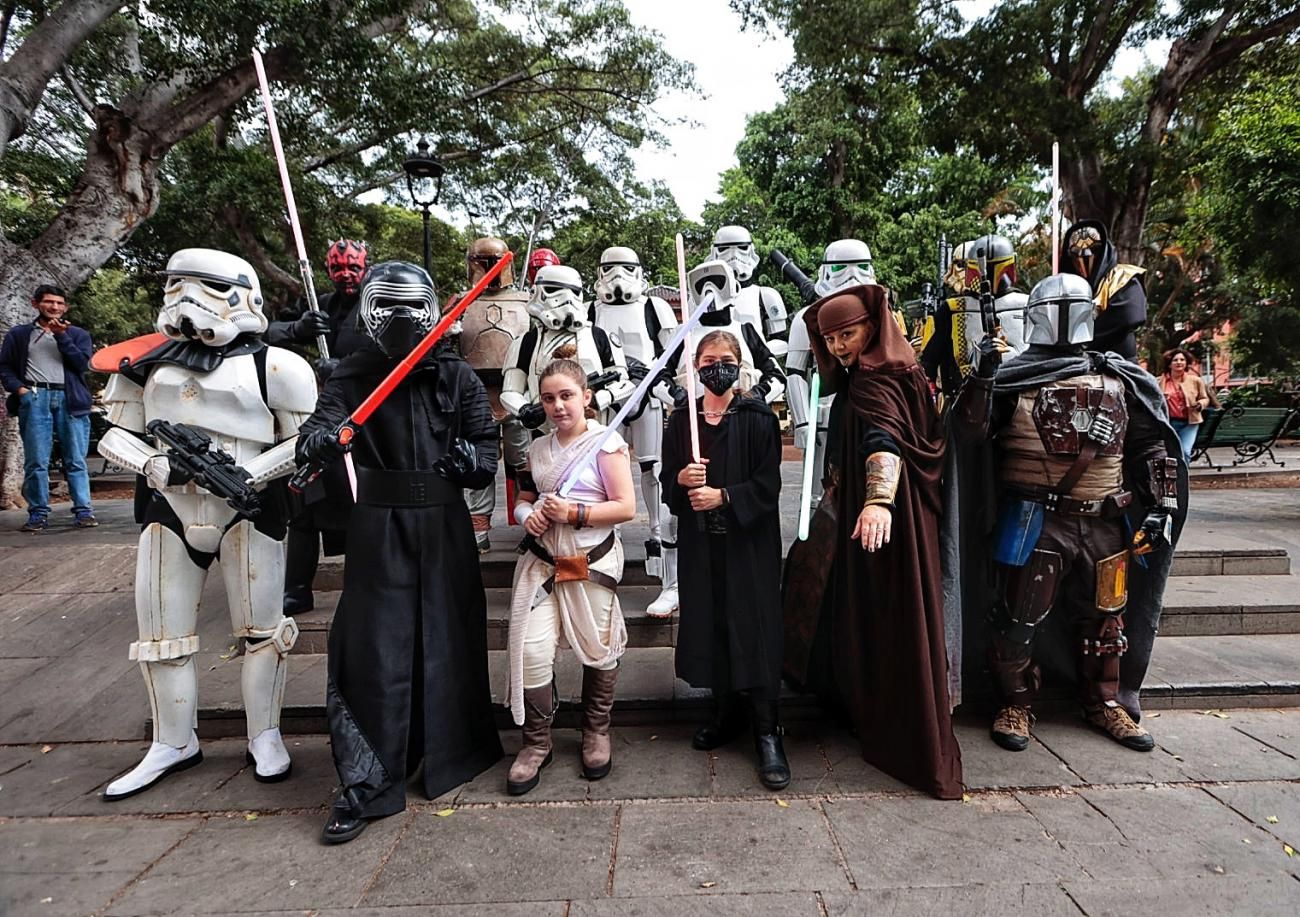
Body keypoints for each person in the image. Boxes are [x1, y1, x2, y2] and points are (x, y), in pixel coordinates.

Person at [296, 261, 503, 844]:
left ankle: (453, 751)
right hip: (379, 525)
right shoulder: (351, 374)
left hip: (443, 525)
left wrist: (471, 463)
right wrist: (322, 440)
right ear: (367, 309)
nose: (405, 319)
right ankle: (368, 780)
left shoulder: (456, 374)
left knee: (449, 636)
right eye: (390, 304)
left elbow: (484, 443)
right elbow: (317, 431)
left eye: (416, 305)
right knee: (375, 647)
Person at [95, 249, 315, 799]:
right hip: (168, 507)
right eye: (177, 286)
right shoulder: (145, 362)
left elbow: (303, 444)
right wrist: (150, 463)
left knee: (263, 632)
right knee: (161, 635)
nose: (187, 299)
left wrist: (250, 472)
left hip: (250, 507)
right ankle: (172, 740)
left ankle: (264, 734)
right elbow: (114, 434)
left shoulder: (280, 367)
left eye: (206, 287)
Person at [952, 273, 1185, 754]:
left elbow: (1151, 446)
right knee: (1018, 619)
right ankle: (1015, 702)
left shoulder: (1120, 376)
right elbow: (969, 435)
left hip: (1106, 520)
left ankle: (1104, 701)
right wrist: (982, 377)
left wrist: (1161, 506)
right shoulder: (1015, 376)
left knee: (1108, 622)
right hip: (1033, 520)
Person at [782, 284, 963, 800]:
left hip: (882, 522)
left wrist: (877, 501)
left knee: (887, 615)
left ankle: (893, 725)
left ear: (872, 327)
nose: (839, 347)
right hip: (888, 518)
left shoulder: (875, 381)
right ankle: (864, 707)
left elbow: (883, 439)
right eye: (831, 338)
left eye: (849, 333)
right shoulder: (899, 371)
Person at [661, 330, 788, 790]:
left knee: (753, 627)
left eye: (726, 359)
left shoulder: (756, 418)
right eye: (709, 359)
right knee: (713, 623)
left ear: (739, 364)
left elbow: (768, 486)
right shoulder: (682, 422)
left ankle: (768, 729)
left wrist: (724, 496)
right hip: (701, 546)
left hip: (747, 544)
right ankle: (725, 712)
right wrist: (681, 477)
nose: (718, 366)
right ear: (695, 366)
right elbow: (668, 490)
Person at [505, 350, 637, 794]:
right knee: (531, 651)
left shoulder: (607, 443)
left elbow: (625, 508)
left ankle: (596, 730)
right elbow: (523, 497)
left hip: (590, 561)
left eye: (566, 396)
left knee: (598, 646)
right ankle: (535, 743)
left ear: (586, 396)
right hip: (541, 562)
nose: (557, 406)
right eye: (548, 399)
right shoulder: (537, 448)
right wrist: (529, 516)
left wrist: (575, 512)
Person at [265, 239, 370, 614]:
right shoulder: (318, 304)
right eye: (338, 269)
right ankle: (297, 587)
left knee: (361, 506)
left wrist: (343, 368)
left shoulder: (375, 303)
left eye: (353, 268)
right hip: (318, 418)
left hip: (363, 421)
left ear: (365, 267)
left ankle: (362, 587)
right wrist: (298, 328)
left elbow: (389, 356)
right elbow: (264, 334)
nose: (345, 275)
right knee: (304, 507)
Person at [590, 245, 682, 617]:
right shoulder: (591, 309)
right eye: (610, 269)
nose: (617, 277)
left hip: (648, 393)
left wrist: (665, 384)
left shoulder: (653, 307)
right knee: (601, 472)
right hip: (609, 396)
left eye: (625, 268)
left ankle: (663, 555)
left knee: (653, 472)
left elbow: (672, 351)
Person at [451, 237, 532, 552]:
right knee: (478, 464)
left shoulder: (527, 302)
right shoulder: (462, 303)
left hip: (517, 393)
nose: (488, 268)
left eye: (494, 261)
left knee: (525, 463)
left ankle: (530, 522)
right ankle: (478, 527)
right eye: (481, 261)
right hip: (474, 396)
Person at [0, 284, 97, 531]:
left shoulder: (77, 334)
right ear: (36, 304)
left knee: (75, 459)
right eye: (49, 302)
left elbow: (82, 365)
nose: (54, 307)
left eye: (59, 303)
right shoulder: (20, 334)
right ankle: (38, 513)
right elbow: (5, 367)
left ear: (65, 307)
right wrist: (20, 390)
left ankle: (84, 511)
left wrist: (61, 336)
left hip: (69, 398)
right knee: (36, 461)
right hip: (35, 396)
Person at [1059, 221, 1147, 359]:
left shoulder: (1123, 277)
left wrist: (1081, 340)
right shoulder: (1066, 287)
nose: (1084, 258)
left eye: (1093, 250)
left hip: (1120, 362)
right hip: (1076, 363)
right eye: (1076, 253)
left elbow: (1129, 316)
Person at [709, 225, 789, 356]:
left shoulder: (765, 295)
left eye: (742, 248)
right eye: (725, 249)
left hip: (757, 370)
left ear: (751, 250)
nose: (734, 256)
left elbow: (781, 340)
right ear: (714, 252)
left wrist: (760, 353)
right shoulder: (702, 298)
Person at [1160, 347, 1211, 461]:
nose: (1179, 362)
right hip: (1169, 423)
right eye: (1175, 360)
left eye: (1182, 360)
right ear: (1169, 364)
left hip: (1190, 422)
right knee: (1170, 453)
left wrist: (1200, 404)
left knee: (1185, 451)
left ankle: (1183, 478)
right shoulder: (1159, 382)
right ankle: (1172, 478)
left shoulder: (1195, 381)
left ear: (1186, 363)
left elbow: (1205, 398)